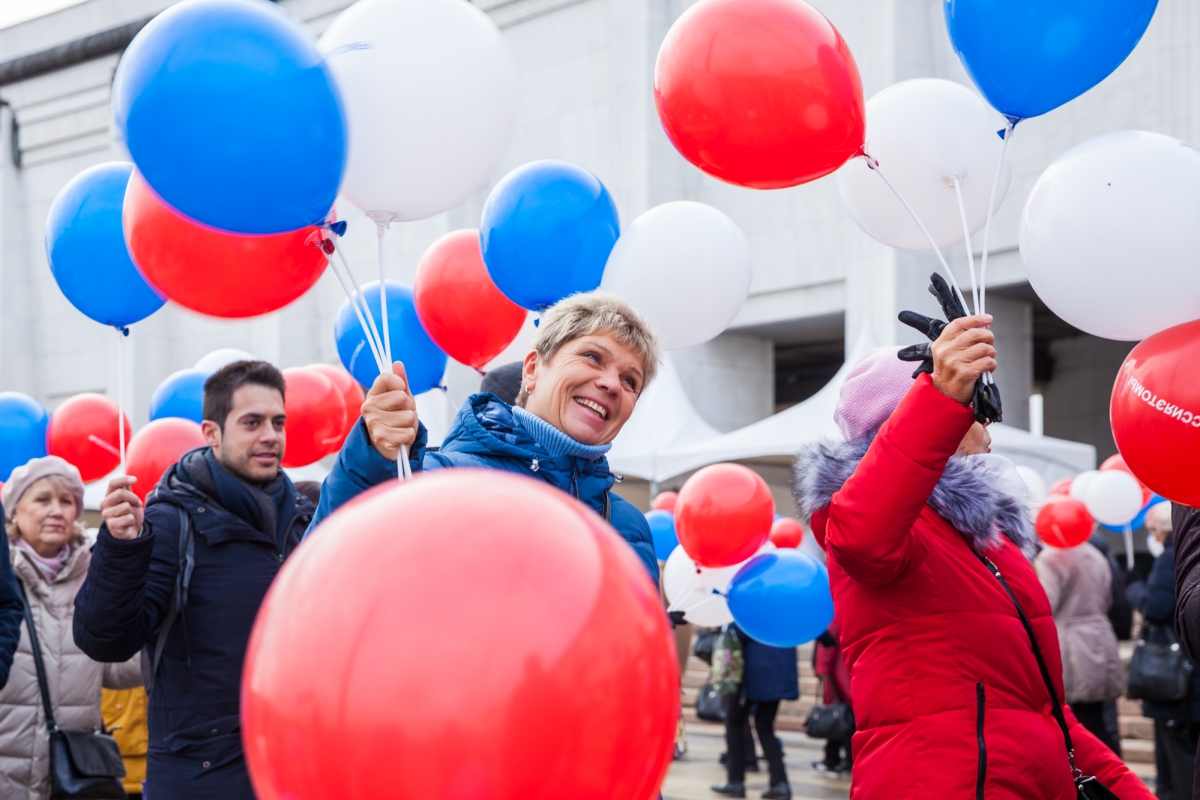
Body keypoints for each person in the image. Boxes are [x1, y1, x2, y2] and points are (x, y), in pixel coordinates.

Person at [792, 317, 1152, 799]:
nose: (984, 418)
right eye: (972, 401)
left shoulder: (986, 540)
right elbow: (863, 534)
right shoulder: (875, 525)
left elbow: (1039, 709)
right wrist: (941, 394)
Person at [74, 361, 316, 800]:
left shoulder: (300, 517)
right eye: (252, 422)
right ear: (211, 433)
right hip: (201, 776)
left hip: (292, 768)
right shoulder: (168, 522)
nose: (270, 435)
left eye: (278, 422)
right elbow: (104, 640)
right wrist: (121, 547)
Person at [309, 291, 659, 580]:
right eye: (593, 357)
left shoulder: (629, 525)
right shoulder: (437, 479)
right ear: (533, 369)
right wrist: (370, 461)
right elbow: (324, 572)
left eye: (631, 381)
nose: (613, 384)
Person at [0, 456, 142, 799]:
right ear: (15, 510)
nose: (56, 510)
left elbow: (120, 669)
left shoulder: (96, 576)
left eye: (67, 501)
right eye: (43, 499)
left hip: (75, 777)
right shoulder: (4, 582)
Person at [1129, 503, 1200, 800]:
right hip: (1189, 673)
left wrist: (1133, 589)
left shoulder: (1170, 559)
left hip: (1177, 679)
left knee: (1178, 761)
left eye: (1153, 531)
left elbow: (1156, 607)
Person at [1034, 538, 1125, 754]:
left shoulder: (1051, 558)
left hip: (1071, 642)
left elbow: (1046, 603)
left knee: (1077, 722)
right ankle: (1115, 776)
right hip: (1100, 635)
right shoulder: (1095, 555)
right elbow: (1108, 598)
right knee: (1096, 719)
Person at [711, 623, 798, 799]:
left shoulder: (753, 602)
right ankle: (780, 783)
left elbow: (737, 632)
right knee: (765, 727)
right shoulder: (785, 608)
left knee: (734, 722)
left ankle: (735, 781)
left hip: (752, 675)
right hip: (779, 674)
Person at [812, 624, 852, 775]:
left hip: (839, 674)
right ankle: (840, 759)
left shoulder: (832, 616)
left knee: (840, 717)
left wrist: (824, 671)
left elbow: (827, 645)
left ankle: (835, 759)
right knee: (844, 718)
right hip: (847, 671)